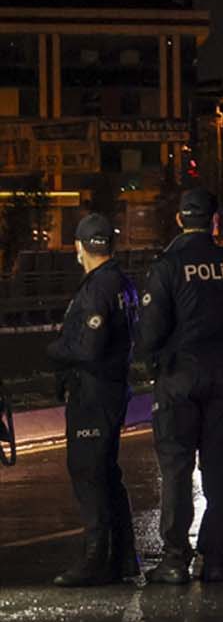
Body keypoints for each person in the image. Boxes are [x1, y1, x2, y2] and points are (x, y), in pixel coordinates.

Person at [137, 189, 223, 585]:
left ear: (179, 219)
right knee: (217, 469)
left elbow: (150, 333)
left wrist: (152, 363)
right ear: (215, 220)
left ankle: (175, 559)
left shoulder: (167, 266)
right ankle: (215, 558)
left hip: (180, 380)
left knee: (176, 469)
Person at [45, 213, 139, 586]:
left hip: (94, 393)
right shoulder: (121, 283)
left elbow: (89, 347)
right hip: (109, 389)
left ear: (80, 247)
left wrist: (55, 351)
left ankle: (95, 560)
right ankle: (122, 558)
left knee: (89, 474)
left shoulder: (98, 288)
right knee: (106, 473)